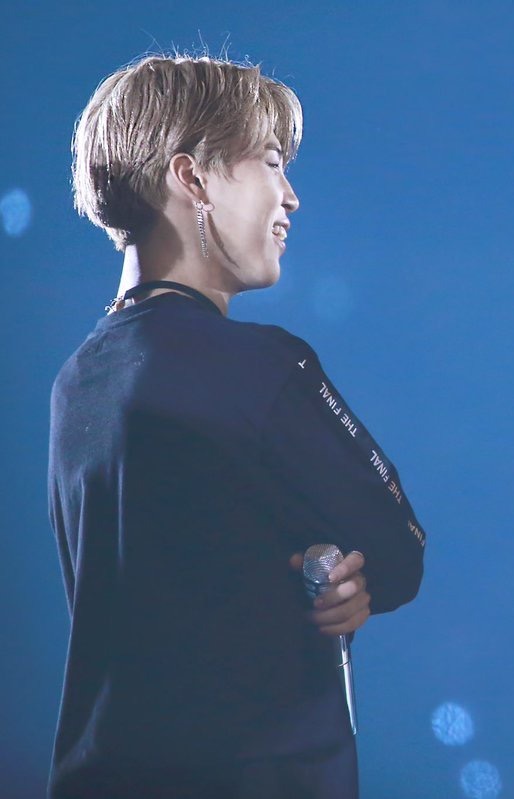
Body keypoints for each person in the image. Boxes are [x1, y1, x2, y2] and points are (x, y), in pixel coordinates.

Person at [48, 55, 426, 798]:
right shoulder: (257, 367)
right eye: (272, 163)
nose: (290, 196)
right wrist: (347, 570)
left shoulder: (75, 383)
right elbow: (398, 549)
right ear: (192, 179)